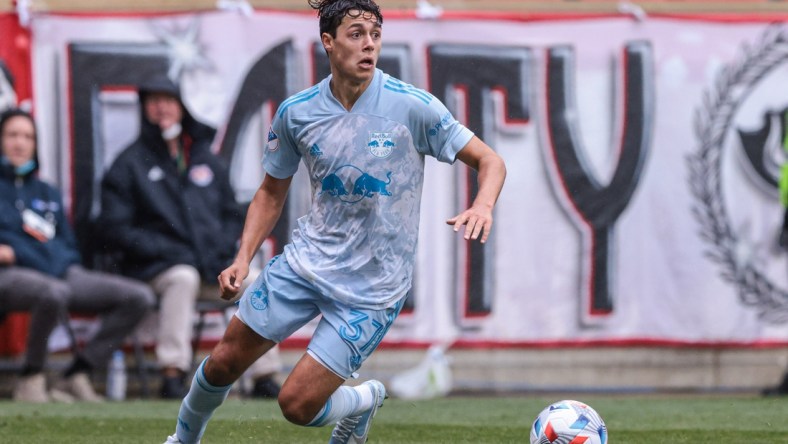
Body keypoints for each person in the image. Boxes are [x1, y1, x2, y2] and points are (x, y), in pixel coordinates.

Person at [162, 0, 506, 442]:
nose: (369, 45)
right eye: (356, 34)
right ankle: (182, 440)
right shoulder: (297, 113)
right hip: (307, 265)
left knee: (297, 405)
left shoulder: (413, 107)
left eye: (375, 35)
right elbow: (270, 191)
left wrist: (483, 205)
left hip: (372, 289)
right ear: (329, 42)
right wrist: (243, 259)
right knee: (224, 360)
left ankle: (363, 400)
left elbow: (490, 160)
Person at [98, 75, 283, 399]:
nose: (161, 108)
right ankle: (172, 374)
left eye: (168, 100)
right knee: (182, 278)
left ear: (183, 107)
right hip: (159, 270)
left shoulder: (207, 160)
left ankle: (264, 375)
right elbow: (115, 230)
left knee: (255, 280)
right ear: (143, 109)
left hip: (210, 266)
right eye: (152, 101)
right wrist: (166, 251)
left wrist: (224, 249)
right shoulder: (129, 165)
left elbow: (231, 216)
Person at [0, 108, 155, 403]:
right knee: (53, 292)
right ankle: (31, 376)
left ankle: (75, 374)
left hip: (60, 272)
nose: (20, 143)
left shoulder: (47, 192)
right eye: (12, 135)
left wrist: (48, 259)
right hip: (11, 276)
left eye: (27, 137)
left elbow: (67, 245)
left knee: (139, 297)